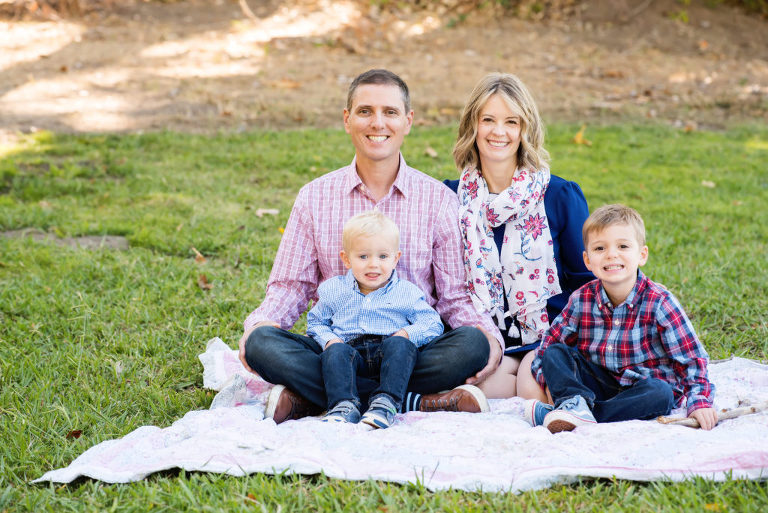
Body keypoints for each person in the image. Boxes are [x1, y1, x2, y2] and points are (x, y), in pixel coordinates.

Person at [239, 69, 502, 424]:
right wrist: (261, 324)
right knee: (262, 344)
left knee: (471, 343)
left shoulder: (438, 199)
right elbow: (291, 286)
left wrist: (488, 337)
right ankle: (408, 400)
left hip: (408, 350)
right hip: (336, 350)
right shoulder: (315, 196)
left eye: (390, 112)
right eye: (365, 111)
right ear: (347, 120)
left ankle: (323, 398)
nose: (377, 123)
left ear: (408, 121)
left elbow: (453, 295)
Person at [444, 72, 593, 399]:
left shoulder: (559, 196)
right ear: (473, 126)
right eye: (488, 120)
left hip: (552, 336)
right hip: (485, 340)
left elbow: (589, 282)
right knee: (471, 393)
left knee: (532, 381)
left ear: (526, 130)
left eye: (511, 121)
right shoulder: (450, 199)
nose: (499, 131)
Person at [526, 204, 718, 432]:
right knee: (556, 352)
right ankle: (573, 405)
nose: (611, 254)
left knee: (662, 393)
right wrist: (553, 386)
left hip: (642, 388)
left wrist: (699, 402)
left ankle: (587, 415)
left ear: (642, 255)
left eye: (623, 246)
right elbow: (550, 345)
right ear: (587, 261)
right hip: (596, 383)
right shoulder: (581, 299)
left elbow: (692, 360)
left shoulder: (660, 303)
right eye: (600, 248)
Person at [307, 211, 444, 429]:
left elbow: (432, 322)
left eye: (382, 257)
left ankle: (386, 403)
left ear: (395, 258)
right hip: (348, 359)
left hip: (391, 359)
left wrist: (406, 334)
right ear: (346, 259)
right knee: (331, 352)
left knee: (467, 342)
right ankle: (344, 404)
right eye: (363, 257)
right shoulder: (334, 290)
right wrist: (330, 341)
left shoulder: (406, 292)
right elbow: (316, 323)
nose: (373, 265)